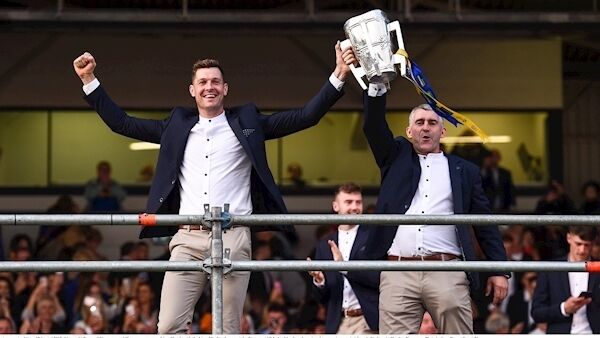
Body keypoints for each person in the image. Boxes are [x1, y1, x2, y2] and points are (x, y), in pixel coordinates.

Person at [73, 43, 354, 334]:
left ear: (226, 89)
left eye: (216, 82)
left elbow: (305, 116)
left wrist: (339, 74)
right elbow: (123, 124)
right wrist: (89, 80)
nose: (210, 87)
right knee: (169, 325)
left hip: (233, 236)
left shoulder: (247, 122)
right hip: (187, 237)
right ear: (192, 90)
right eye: (203, 82)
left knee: (227, 326)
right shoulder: (176, 125)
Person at [357, 76, 508, 333]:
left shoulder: (465, 170)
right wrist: (376, 85)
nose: (425, 128)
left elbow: (484, 221)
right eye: (419, 123)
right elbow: (373, 126)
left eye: (432, 123)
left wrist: (499, 269)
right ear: (408, 131)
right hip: (398, 270)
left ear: (443, 130)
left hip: (446, 270)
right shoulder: (394, 157)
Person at [308, 183, 379, 334]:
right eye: (348, 202)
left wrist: (345, 268)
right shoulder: (323, 245)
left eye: (358, 202)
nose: (354, 207)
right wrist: (319, 281)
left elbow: (379, 279)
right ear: (335, 206)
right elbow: (321, 298)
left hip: (367, 321)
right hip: (337, 324)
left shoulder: (373, 238)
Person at [531, 225, 599, 334]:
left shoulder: (598, 267)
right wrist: (563, 309)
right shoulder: (551, 269)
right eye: (578, 244)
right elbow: (536, 313)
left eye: (587, 245)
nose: (582, 250)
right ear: (569, 238)